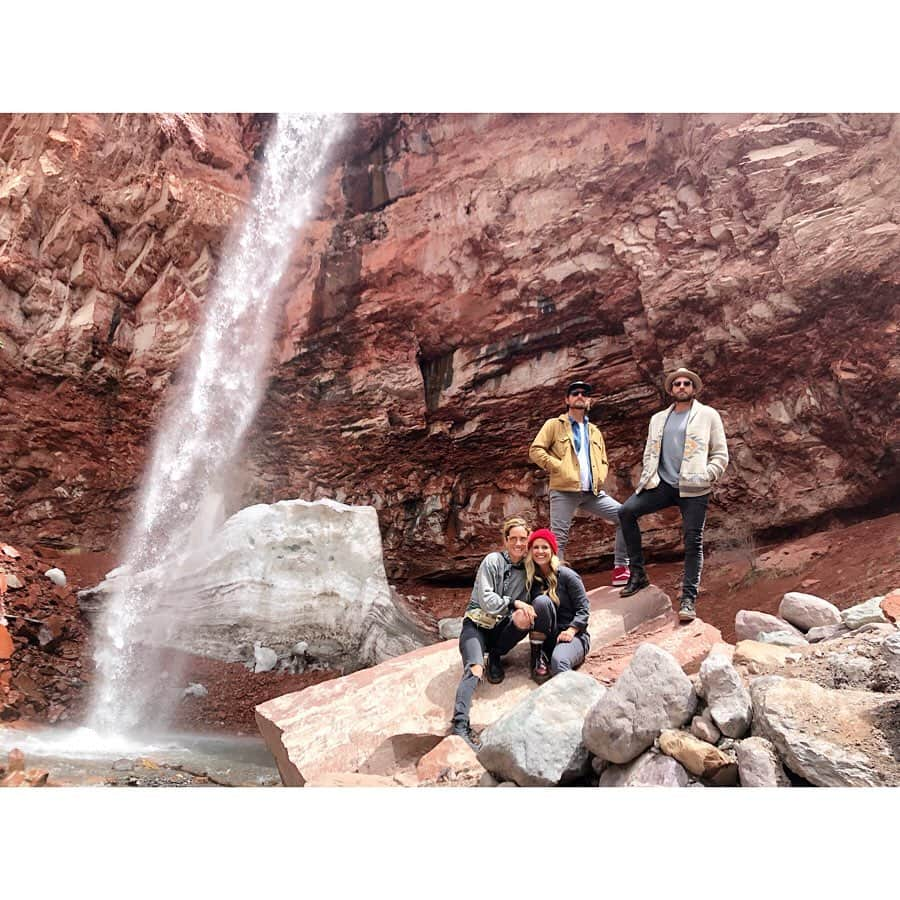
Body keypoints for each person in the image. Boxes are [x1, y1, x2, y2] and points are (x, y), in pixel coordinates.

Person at [618, 367, 729, 623]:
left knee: (692, 541)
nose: (681, 386)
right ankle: (638, 575)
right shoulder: (658, 419)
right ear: (671, 389)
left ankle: (688, 599)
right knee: (626, 512)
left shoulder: (708, 415)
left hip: (694, 487)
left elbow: (721, 454)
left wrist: (707, 474)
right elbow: (649, 451)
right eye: (677, 383)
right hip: (663, 484)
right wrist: (649, 473)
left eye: (686, 383)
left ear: (694, 388)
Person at [529, 379, 630, 585]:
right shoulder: (554, 425)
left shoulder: (594, 431)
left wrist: (600, 476)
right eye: (575, 393)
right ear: (567, 399)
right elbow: (536, 450)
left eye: (584, 393)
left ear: (589, 400)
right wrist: (558, 467)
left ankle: (621, 568)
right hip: (564, 490)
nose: (580, 396)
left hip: (592, 491)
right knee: (558, 538)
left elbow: (603, 459)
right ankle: (555, 582)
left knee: (625, 516)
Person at [450, 516, 536, 751]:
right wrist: (514, 603)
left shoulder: (529, 570)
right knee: (475, 668)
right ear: (506, 540)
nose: (519, 543)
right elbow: (487, 601)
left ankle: (496, 656)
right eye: (514, 539)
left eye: (523, 539)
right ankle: (459, 724)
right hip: (476, 626)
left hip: (500, 630)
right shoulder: (492, 561)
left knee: (525, 618)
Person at [523, 528, 591, 681]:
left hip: (572, 636)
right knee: (541, 601)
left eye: (545, 547)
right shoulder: (531, 579)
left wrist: (571, 631)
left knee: (559, 663)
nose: (540, 551)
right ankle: (537, 656)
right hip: (548, 637)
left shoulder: (567, 575)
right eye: (535, 547)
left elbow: (583, 609)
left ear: (552, 550)